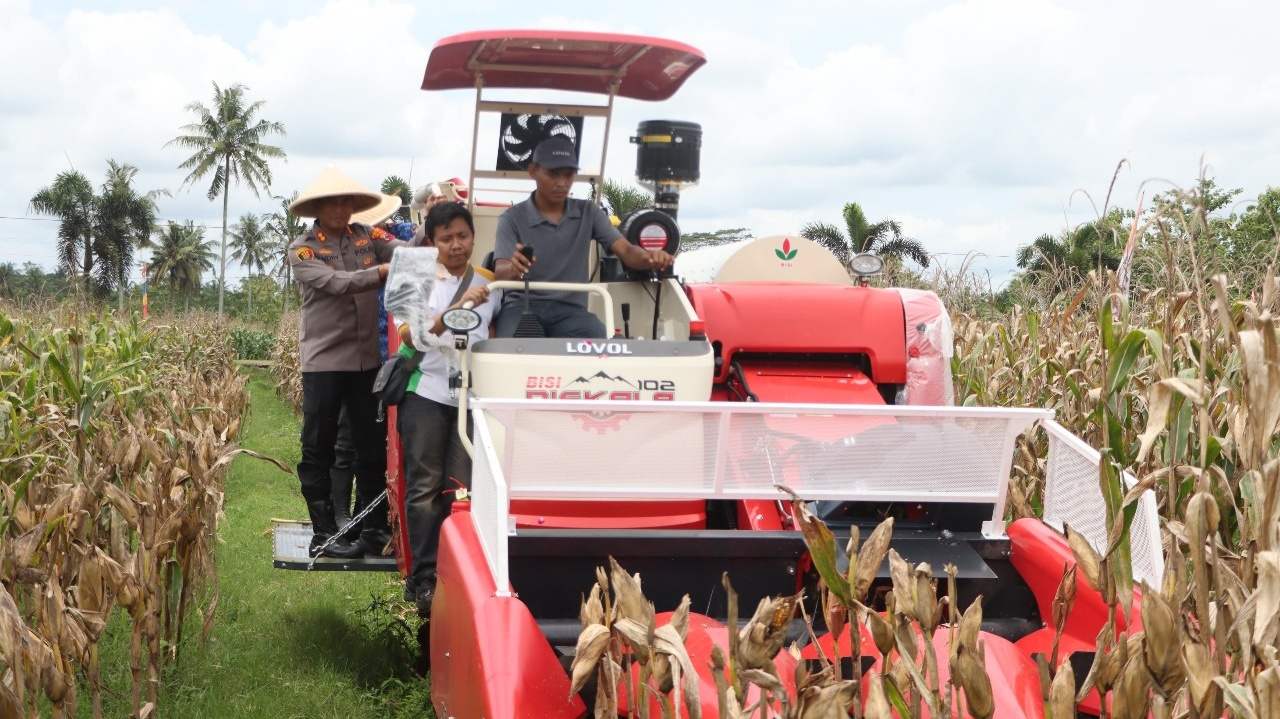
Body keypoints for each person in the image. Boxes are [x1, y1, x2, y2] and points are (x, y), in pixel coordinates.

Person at [287, 168, 407, 558]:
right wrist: (382, 272)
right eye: (333, 201)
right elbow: (338, 284)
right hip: (324, 363)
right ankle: (324, 532)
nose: (342, 208)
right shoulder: (302, 249)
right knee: (317, 447)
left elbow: (408, 251)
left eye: (347, 201)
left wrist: (433, 219)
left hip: (366, 362)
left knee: (370, 446)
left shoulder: (368, 236)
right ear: (317, 208)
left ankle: (368, 529)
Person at [394, 202, 498, 615]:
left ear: (474, 237)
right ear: (432, 242)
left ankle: (457, 578)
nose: (456, 245)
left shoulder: (491, 284)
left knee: (462, 489)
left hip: (472, 399)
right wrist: (455, 311)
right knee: (423, 488)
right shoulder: (413, 277)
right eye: (446, 238)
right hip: (426, 392)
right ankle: (421, 580)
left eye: (463, 236)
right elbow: (409, 337)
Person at [493, 136, 673, 338]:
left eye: (569, 175)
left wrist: (650, 258)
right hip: (521, 307)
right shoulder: (511, 218)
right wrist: (513, 268)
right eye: (553, 174)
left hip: (571, 312)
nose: (562, 183)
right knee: (509, 351)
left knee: (601, 347)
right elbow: (500, 272)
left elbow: (626, 251)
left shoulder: (589, 212)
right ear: (533, 171)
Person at [330, 192, 406, 538]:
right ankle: (339, 517)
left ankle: (369, 520)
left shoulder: (396, 244)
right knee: (347, 440)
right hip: (355, 357)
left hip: (390, 361)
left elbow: (421, 239)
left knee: (376, 443)